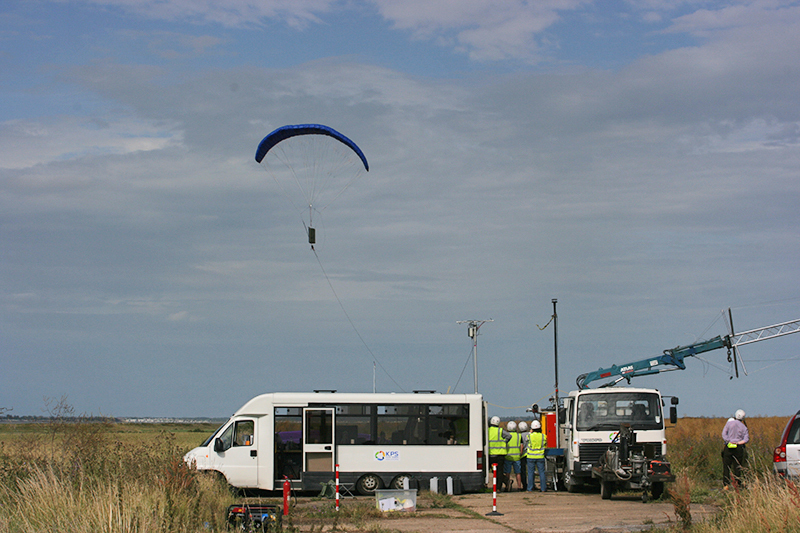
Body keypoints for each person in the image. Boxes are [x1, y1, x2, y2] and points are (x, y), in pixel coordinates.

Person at [721, 409, 749, 489]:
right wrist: (738, 443)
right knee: (737, 466)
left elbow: (724, 434)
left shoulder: (729, 424)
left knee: (726, 466)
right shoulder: (743, 427)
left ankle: (726, 484)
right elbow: (746, 439)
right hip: (738, 448)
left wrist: (729, 441)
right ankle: (737, 483)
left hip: (728, 447)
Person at [526, 419, 548, 492]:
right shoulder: (543, 436)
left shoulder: (529, 436)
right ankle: (543, 488)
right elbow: (545, 443)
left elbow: (526, 440)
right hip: (540, 456)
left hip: (530, 456)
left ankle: (530, 488)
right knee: (541, 473)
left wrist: (530, 432)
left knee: (530, 473)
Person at [488, 416, 511, 482]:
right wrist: (504, 441)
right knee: (499, 471)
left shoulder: (488, 430)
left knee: (491, 470)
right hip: (501, 454)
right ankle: (498, 487)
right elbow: (509, 436)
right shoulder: (500, 431)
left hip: (491, 454)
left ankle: (486, 484)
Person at [503, 421, 523, 491]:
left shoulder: (506, 435)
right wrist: (520, 453)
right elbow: (521, 446)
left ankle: (507, 486)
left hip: (508, 456)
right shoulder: (519, 436)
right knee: (518, 473)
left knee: (507, 472)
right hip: (517, 457)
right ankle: (519, 487)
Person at [518, 421, 529, 490]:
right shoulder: (530, 434)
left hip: (523, 455)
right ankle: (531, 484)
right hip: (530, 454)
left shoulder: (519, 436)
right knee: (531, 471)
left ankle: (524, 485)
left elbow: (521, 446)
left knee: (523, 471)